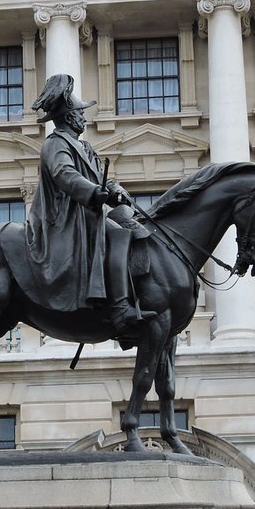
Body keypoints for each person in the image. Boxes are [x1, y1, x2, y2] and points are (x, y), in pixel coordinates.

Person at [23, 74, 155, 338]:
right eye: (80, 112)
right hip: (66, 218)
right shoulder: (56, 143)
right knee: (118, 234)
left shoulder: (83, 146)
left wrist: (115, 190)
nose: (84, 117)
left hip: (87, 211)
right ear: (69, 116)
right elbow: (65, 175)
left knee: (132, 224)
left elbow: (98, 175)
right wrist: (95, 193)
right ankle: (119, 309)